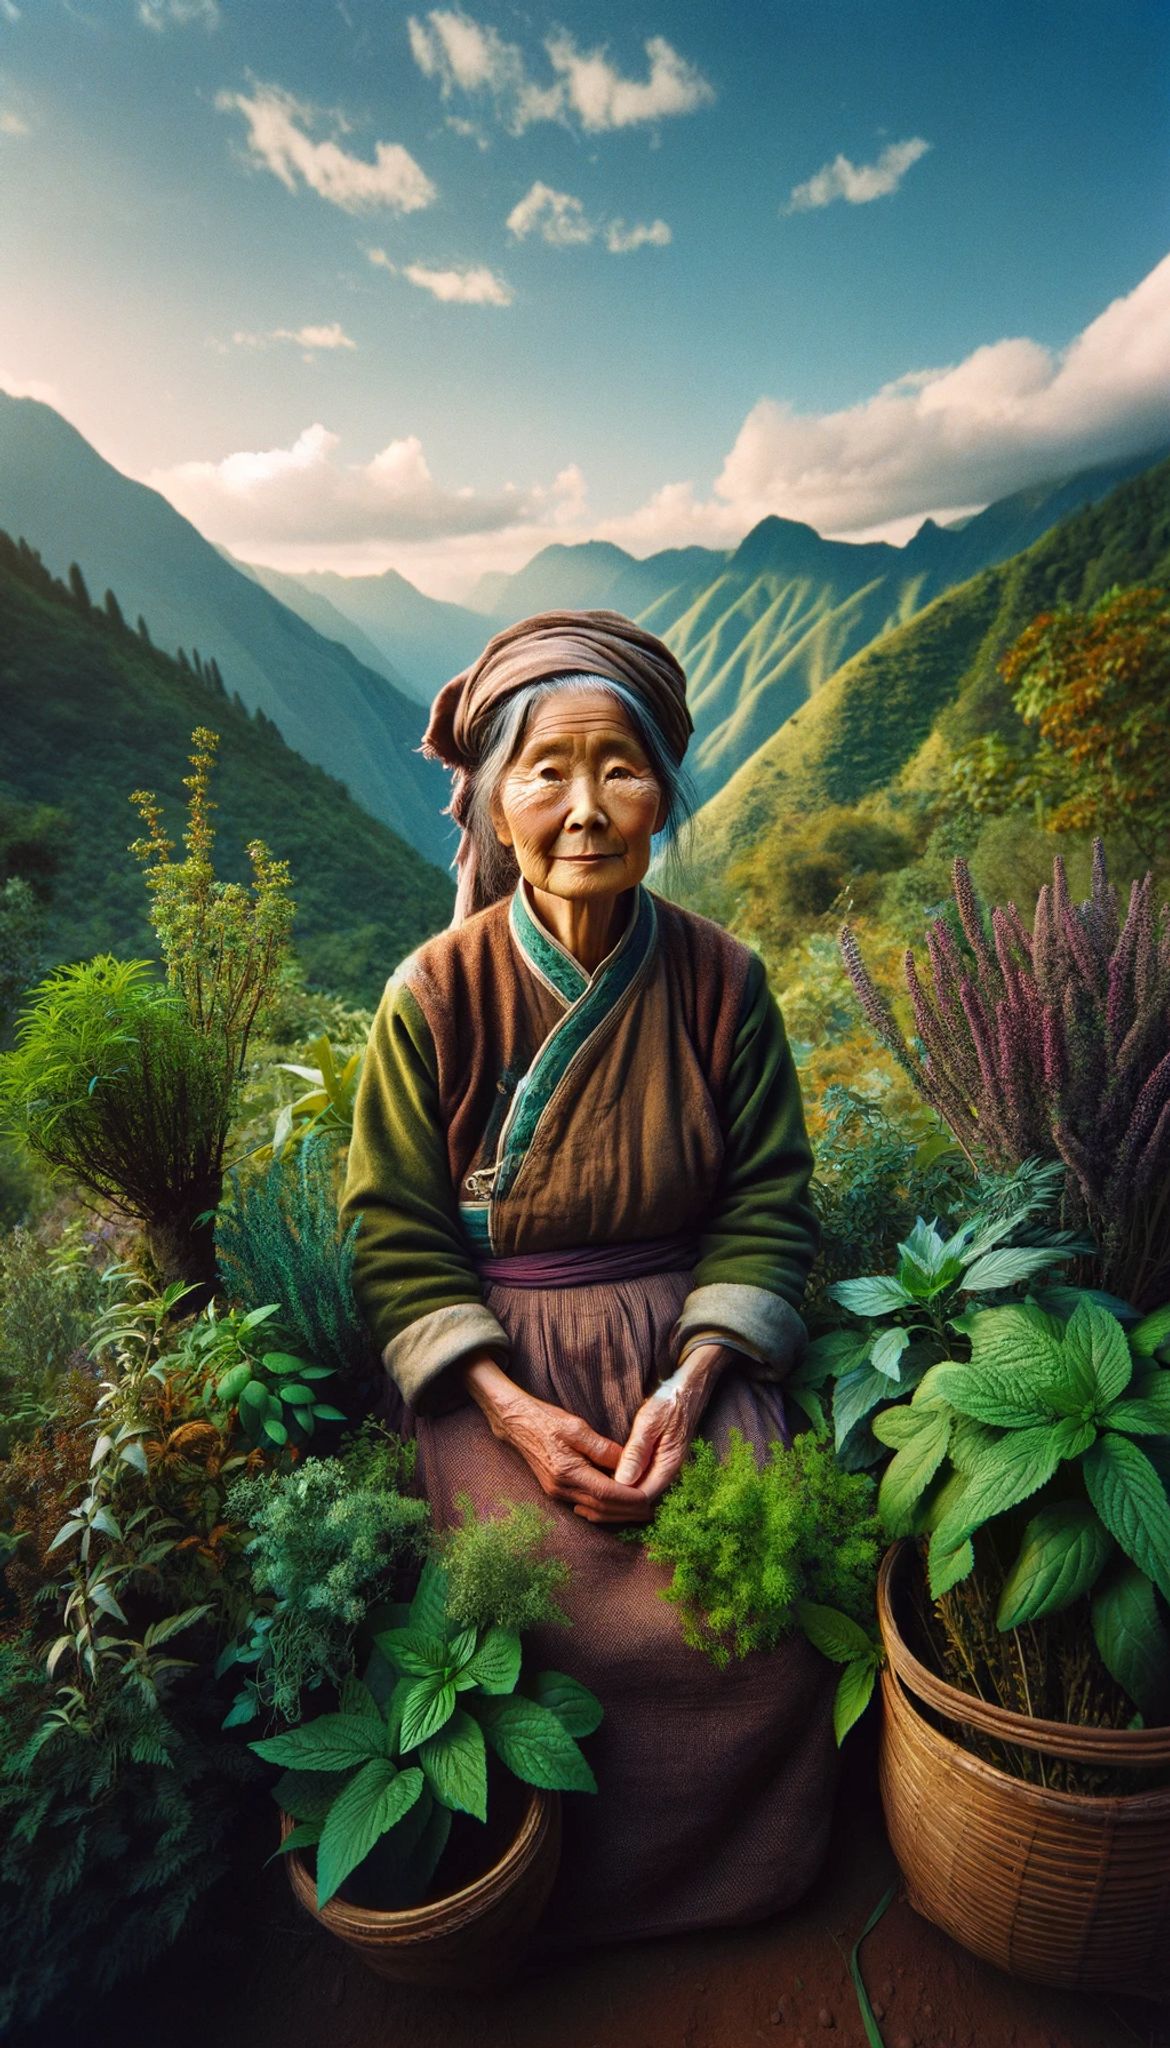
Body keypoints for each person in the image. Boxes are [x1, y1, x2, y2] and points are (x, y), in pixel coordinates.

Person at [338, 607, 839, 1949]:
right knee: (531, 1614)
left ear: (662, 793)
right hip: (497, 1361)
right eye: (544, 769)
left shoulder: (722, 982)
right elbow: (392, 1227)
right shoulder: (432, 993)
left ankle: (749, 1879)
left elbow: (765, 1199)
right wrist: (504, 1407)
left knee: (753, 1611)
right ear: (493, 801)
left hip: (679, 1342)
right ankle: (545, 1897)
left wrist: (696, 1374)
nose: (582, 804)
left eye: (618, 765)